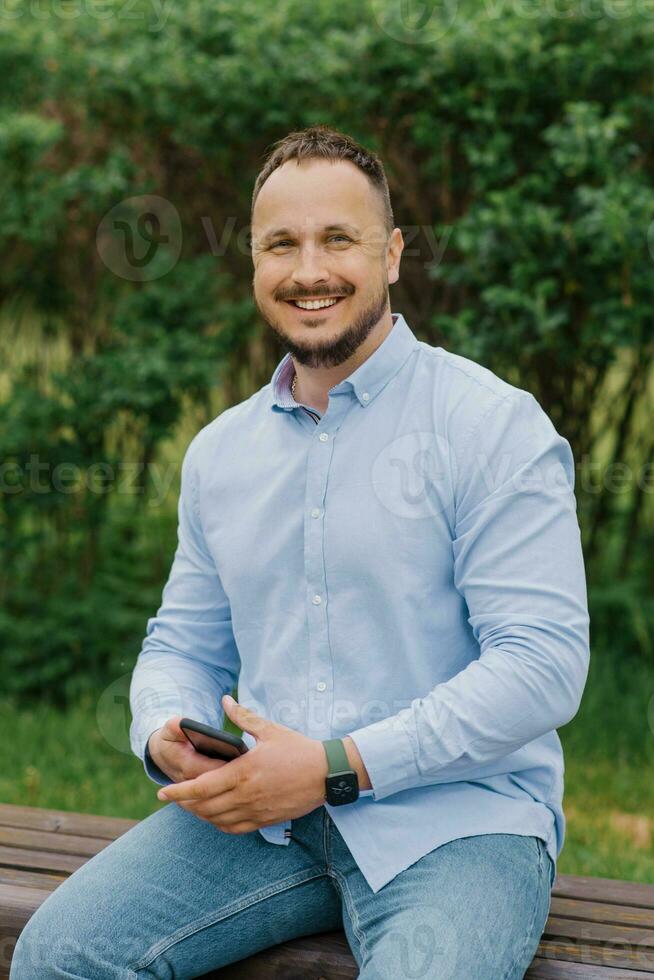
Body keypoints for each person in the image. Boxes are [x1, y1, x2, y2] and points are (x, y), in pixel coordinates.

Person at [10, 125, 590, 979]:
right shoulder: (221, 453)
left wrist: (333, 769)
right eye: (281, 244)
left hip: (459, 824)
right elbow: (181, 644)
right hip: (262, 821)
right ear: (253, 263)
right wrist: (162, 729)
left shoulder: (492, 427)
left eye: (339, 240)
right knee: (59, 957)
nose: (309, 270)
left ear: (391, 255)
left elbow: (543, 666)